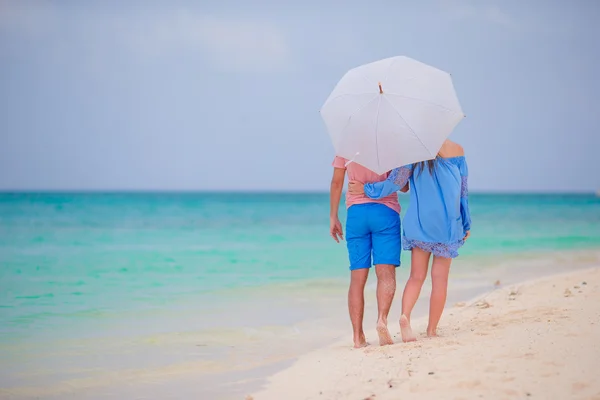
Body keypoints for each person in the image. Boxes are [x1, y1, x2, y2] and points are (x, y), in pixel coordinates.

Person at [348, 140, 471, 342]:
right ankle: (431, 330)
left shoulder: (413, 152)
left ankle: (405, 316)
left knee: (416, 276)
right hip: (447, 225)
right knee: (440, 280)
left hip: (419, 222)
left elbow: (394, 184)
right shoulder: (458, 150)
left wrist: (365, 189)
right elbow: (463, 192)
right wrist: (466, 222)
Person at [330, 156, 407, 348]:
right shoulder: (391, 146)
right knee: (386, 273)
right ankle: (381, 320)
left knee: (357, 278)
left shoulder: (346, 146)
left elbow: (337, 181)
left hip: (356, 214)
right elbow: (403, 185)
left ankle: (358, 337)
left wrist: (333, 216)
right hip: (386, 212)